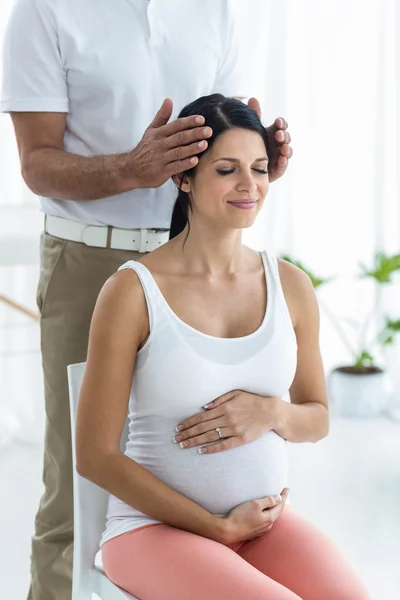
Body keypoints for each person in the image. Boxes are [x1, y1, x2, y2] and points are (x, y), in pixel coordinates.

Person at [1, 2, 292, 599]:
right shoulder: (45, 11)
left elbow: (216, 148)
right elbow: (36, 164)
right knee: (77, 491)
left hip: (193, 259)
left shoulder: (213, 11)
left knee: (202, 460)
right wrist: (132, 168)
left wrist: (254, 162)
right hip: (88, 259)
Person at [76, 94, 372, 600]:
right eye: (227, 169)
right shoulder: (132, 291)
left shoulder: (291, 286)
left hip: (263, 527)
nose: (248, 185)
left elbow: (317, 416)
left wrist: (271, 413)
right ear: (183, 178)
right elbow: (94, 455)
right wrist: (216, 527)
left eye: (259, 169)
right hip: (152, 532)